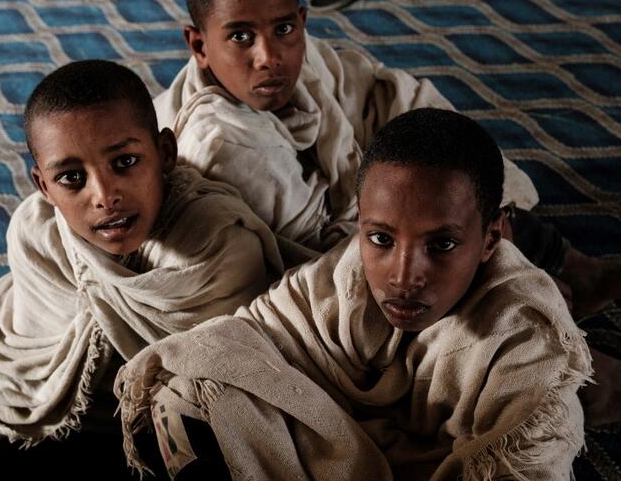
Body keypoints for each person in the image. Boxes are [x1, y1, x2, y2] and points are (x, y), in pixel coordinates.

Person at [154, 0, 621, 426]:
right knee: (460, 285)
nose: (269, 56)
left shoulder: (304, 62)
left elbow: (383, 96)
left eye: (283, 29)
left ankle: (580, 273)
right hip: (321, 282)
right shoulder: (222, 142)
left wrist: (440, 195)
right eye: (240, 37)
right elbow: (315, 262)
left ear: (302, 19)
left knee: (465, 196)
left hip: (363, 223)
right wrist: (411, 227)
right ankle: (597, 386)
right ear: (199, 46)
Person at [116, 108, 594, 480]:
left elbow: (525, 465)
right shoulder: (338, 279)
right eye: (381, 238)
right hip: (354, 438)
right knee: (184, 392)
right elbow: (244, 337)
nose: (403, 276)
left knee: (574, 405)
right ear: (360, 225)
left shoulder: (524, 338)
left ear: (490, 239)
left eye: (441, 245)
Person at [0, 60, 282, 475]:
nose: (104, 196)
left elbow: (224, 382)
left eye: (124, 162)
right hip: (69, 416)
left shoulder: (217, 243)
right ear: (43, 186)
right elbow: (26, 370)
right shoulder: (39, 237)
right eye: (71, 177)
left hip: (155, 421)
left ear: (165, 153)